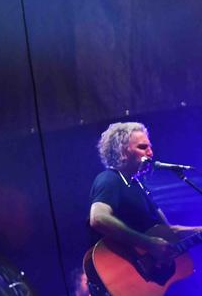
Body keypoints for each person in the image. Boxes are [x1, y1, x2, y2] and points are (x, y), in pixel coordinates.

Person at [86, 122, 201, 295]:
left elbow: (169, 231)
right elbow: (98, 218)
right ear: (122, 152)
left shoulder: (139, 186)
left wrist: (198, 230)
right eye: (142, 147)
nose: (150, 153)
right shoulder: (110, 179)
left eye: (150, 147)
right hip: (122, 277)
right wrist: (148, 243)